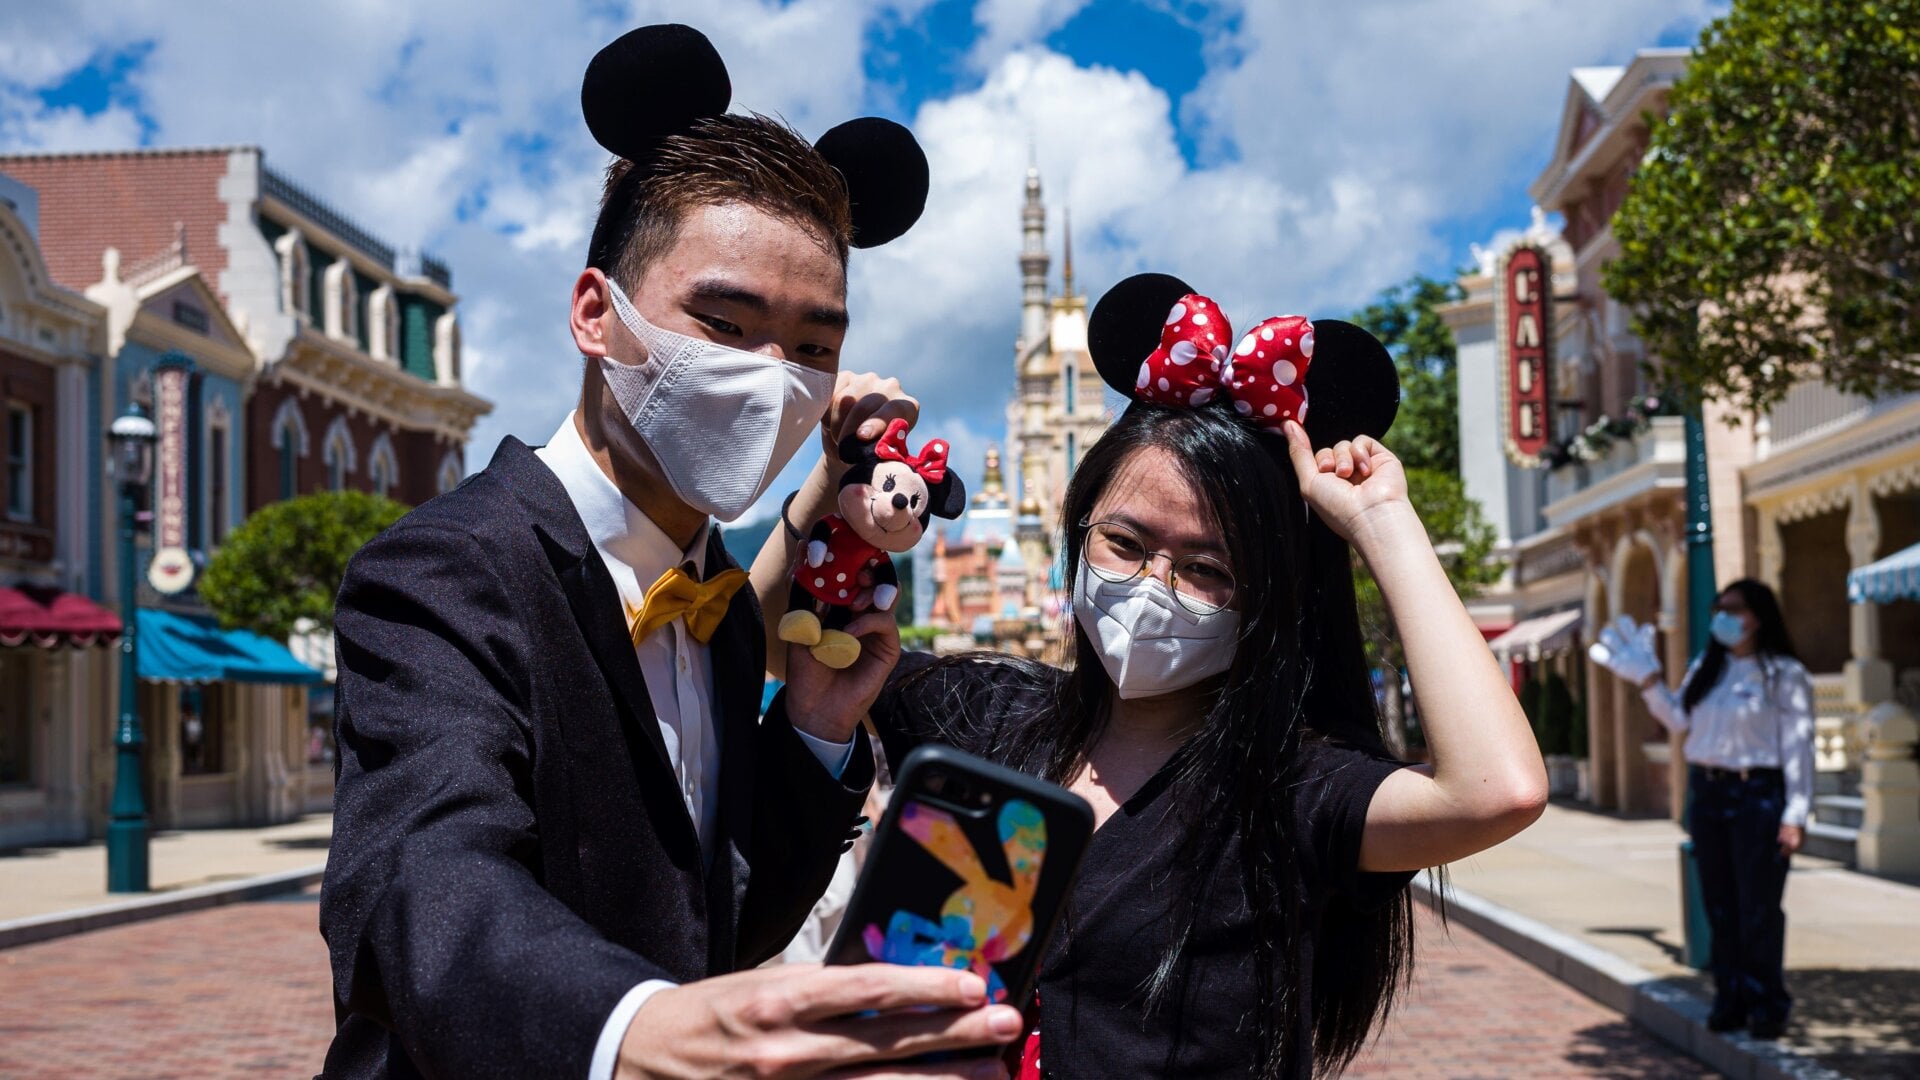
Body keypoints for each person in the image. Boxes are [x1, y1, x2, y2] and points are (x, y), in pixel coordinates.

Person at [319, 25, 1021, 1080]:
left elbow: (715, 920)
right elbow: (426, 886)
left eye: (814, 347)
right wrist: (634, 1035)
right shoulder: (446, 570)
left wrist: (817, 730)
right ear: (595, 313)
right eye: (725, 325)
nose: (772, 375)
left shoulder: (720, 605)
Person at [755, 275, 1550, 1077]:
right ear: (1079, 534)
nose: (1152, 587)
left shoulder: (1290, 789)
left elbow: (1496, 791)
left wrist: (1382, 524)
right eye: (1125, 545)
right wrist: (836, 471)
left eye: (1207, 569)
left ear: (1269, 597)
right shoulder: (993, 716)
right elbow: (769, 641)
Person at [1590, 579, 1814, 1039]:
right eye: (1719, 609)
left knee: (1758, 907)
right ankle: (1729, 998)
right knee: (1720, 904)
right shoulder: (1706, 667)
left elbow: (1799, 747)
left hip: (1758, 794)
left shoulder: (1783, 673)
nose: (1724, 618)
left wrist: (1796, 813)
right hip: (1710, 793)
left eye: (1735, 609)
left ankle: (1767, 1003)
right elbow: (1677, 719)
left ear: (1758, 616)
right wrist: (1649, 681)